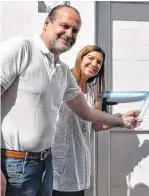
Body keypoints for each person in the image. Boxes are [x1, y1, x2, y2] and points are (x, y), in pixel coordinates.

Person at [0, 5, 140, 196]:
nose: (69, 33)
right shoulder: (21, 49)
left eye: (75, 30)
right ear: (47, 23)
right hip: (14, 162)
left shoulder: (62, 72)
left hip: (45, 164)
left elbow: (87, 112)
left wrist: (120, 120)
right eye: (64, 26)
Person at [51, 45, 140, 196]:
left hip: (79, 162)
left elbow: (97, 125)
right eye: (91, 58)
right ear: (81, 58)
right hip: (57, 162)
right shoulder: (64, 81)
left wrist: (121, 118)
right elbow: (87, 113)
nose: (95, 64)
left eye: (99, 62)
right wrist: (118, 120)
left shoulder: (92, 92)